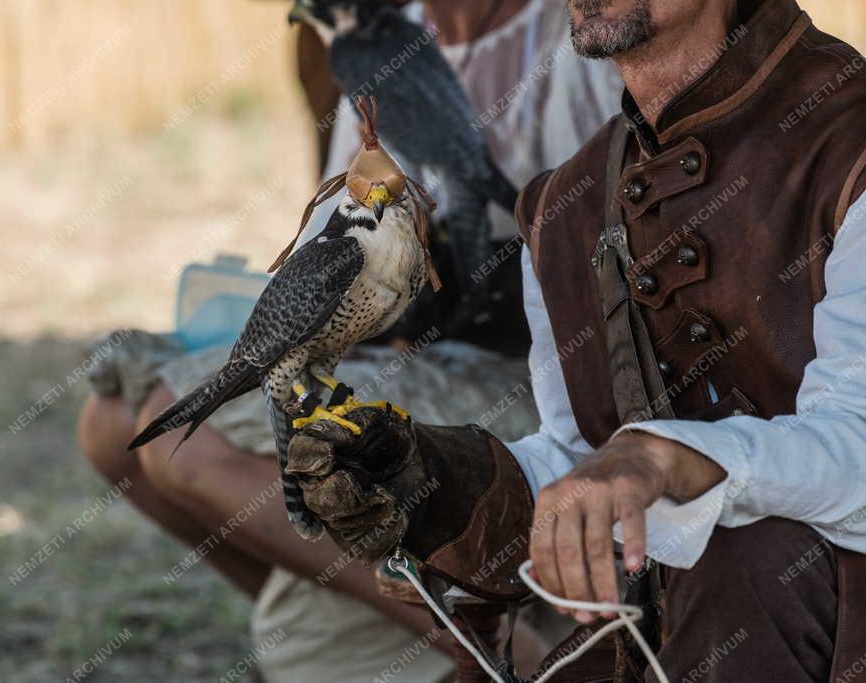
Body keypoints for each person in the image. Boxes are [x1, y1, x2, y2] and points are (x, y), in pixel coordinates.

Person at [286, 0, 866, 680]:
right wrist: (438, 482)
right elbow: (579, 457)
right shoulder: (565, 210)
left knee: (748, 553)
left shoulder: (847, 148)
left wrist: (663, 459)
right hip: (671, 644)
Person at [77, 1, 621, 681]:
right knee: (109, 424)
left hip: (540, 368)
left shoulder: (582, 29)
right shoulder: (373, 42)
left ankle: (491, 644)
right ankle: (416, 617)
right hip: (406, 335)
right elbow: (341, 231)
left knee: (174, 442)